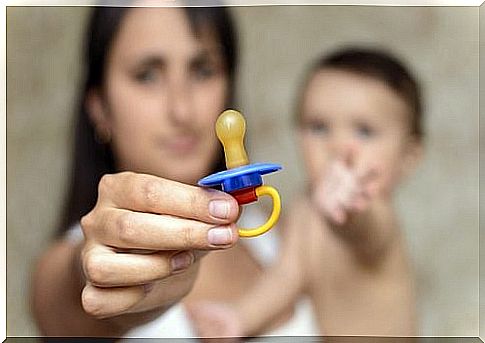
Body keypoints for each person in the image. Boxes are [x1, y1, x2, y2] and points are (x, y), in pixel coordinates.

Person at [31, 5, 320, 338]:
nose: (182, 110)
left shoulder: (284, 237)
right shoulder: (70, 265)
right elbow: (70, 295)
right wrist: (99, 273)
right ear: (99, 108)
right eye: (147, 75)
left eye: (202, 70)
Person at [188, 47, 423, 338]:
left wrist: (350, 205)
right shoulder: (305, 209)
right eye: (319, 127)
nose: (337, 145)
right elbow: (286, 277)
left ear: (408, 156)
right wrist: (239, 318)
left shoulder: (378, 216)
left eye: (364, 131)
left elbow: (366, 232)